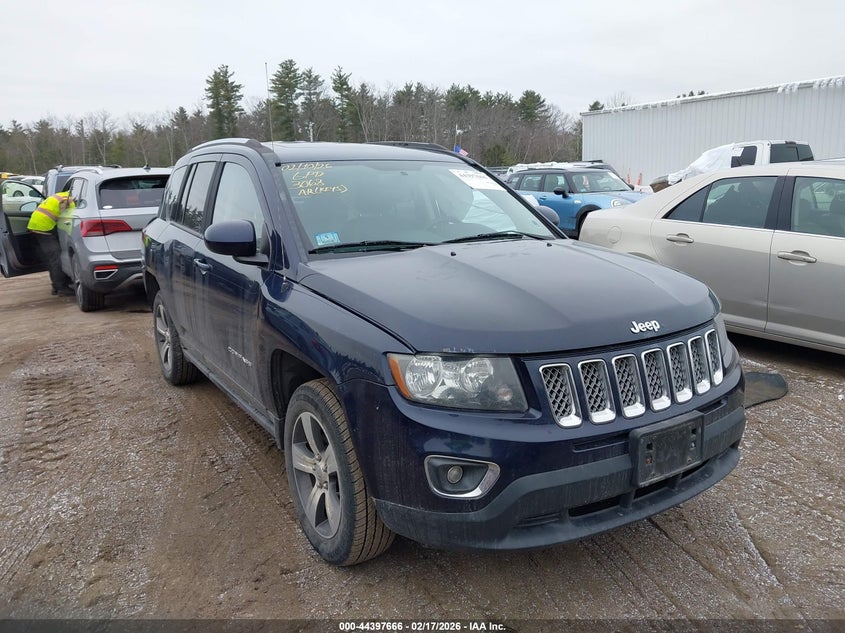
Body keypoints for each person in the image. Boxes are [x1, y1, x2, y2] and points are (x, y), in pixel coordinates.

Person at [27, 190, 74, 295]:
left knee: (53, 259)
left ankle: (56, 286)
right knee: (56, 259)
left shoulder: (62, 195)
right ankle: (61, 288)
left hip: (36, 224)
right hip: (43, 228)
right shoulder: (69, 201)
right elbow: (66, 221)